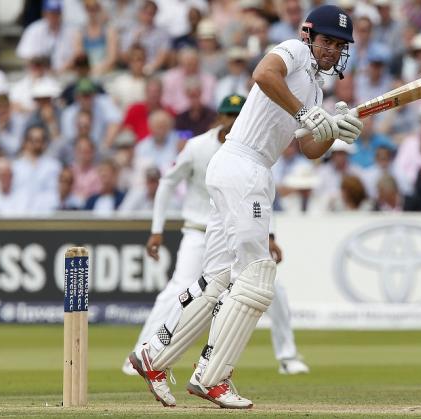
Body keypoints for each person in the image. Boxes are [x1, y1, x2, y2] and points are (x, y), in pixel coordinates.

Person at [129, 5, 362, 409]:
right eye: (327, 41)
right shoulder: (291, 51)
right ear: (310, 36)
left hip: (242, 168)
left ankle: (153, 356)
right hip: (244, 166)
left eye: (339, 45)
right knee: (256, 275)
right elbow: (262, 74)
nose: (331, 50)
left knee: (219, 275)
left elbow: (308, 148)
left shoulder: (316, 89)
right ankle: (213, 376)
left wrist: (334, 129)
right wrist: (308, 112)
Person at [122, 94, 309, 377]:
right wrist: (157, 230)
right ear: (219, 118)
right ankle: (141, 353)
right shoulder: (197, 147)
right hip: (198, 232)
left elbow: (261, 194)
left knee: (272, 289)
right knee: (178, 289)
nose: (234, 121)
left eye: (239, 115)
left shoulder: (255, 148)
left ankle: (288, 356)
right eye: (229, 115)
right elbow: (167, 183)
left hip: (237, 229)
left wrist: (270, 235)